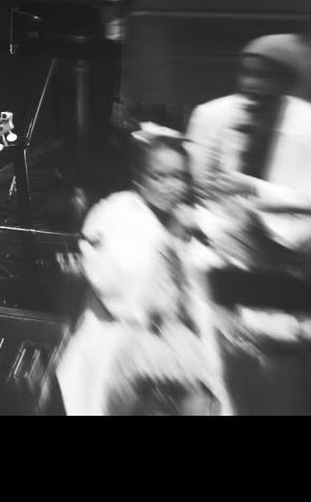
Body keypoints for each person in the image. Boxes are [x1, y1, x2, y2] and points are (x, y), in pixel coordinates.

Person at [53, 125, 233, 415]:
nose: (170, 185)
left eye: (178, 176)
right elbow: (126, 292)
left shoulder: (196, 220)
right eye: (159, 176)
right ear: (139, 178)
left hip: (182, 340)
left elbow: (208, 288)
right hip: (120, 333)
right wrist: (172, 237)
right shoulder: (115, 212)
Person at [185, 33, 311, 274]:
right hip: (223, 226)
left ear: (288, 83)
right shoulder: (211, 115)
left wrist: (254, 188)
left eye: (264, 76)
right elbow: (196, 184)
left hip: (295, 234)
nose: (250, 83)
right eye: (246, 73)